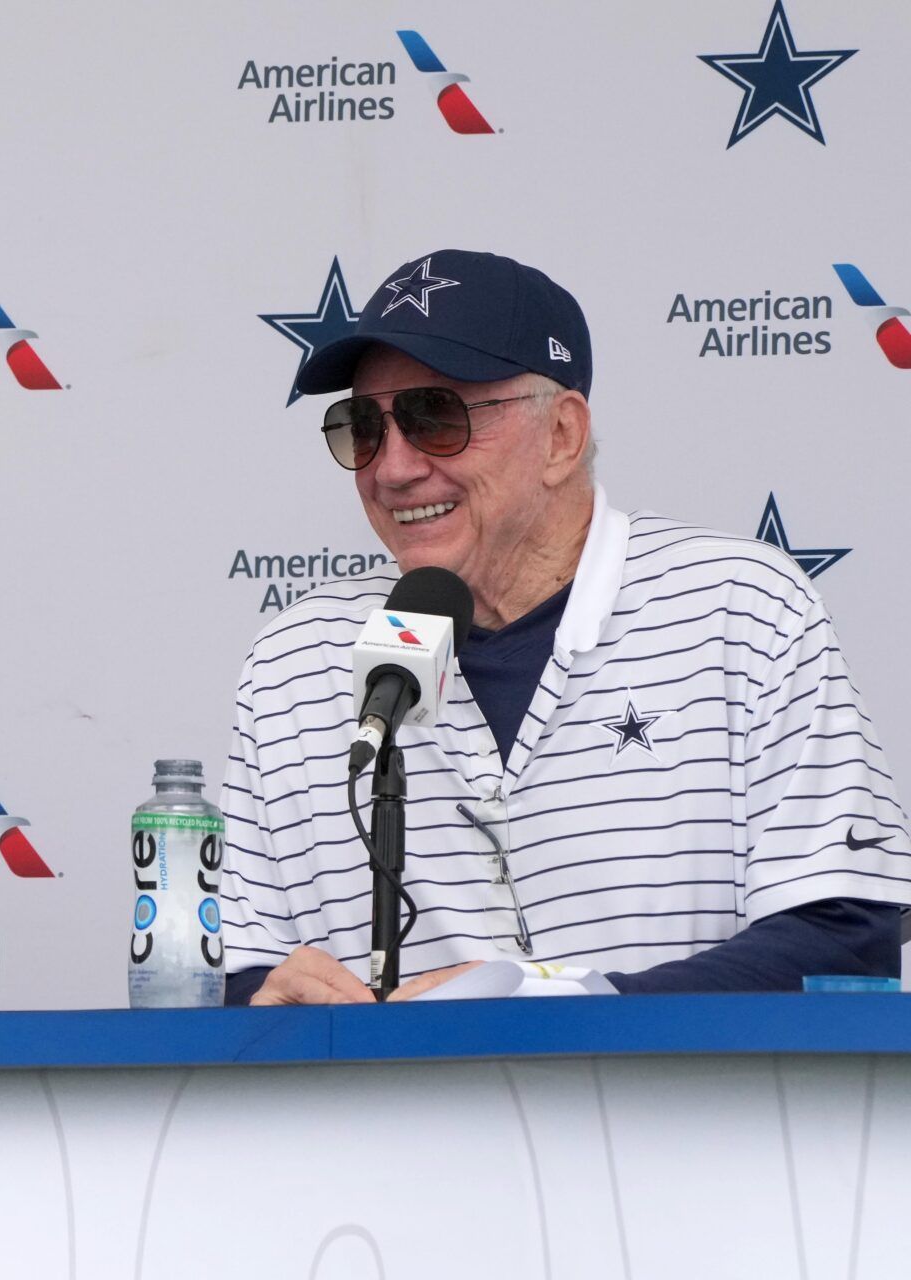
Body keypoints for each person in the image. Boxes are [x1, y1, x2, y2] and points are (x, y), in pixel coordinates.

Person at [222, 249, 910, 1005]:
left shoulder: (740, 609)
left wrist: (573, 1008)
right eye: (362, 427)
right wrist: (270, 1004)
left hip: (684, 1115)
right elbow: (240, 969)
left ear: (561, 435)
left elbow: (844, 933)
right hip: (391, 1123)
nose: (392, 468)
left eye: (434, 418)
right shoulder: (294, 661)